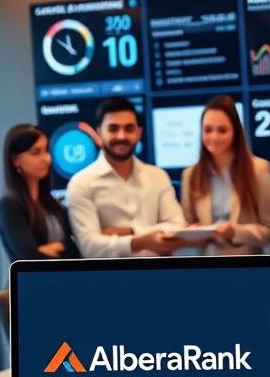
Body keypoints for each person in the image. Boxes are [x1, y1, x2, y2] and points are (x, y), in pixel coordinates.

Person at [66, 97, 187, 257]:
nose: (121, 136)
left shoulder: (158, 176)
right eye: (113, 129)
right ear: (99, 133)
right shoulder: (81, 183)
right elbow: (90, 247)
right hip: (109, 273)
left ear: (139, 133)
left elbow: (178, 228)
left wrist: (130, 231)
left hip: (157, 271)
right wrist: (143, 240)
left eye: (129, 129)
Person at [180, 95, 270, 255]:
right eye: (208, 130)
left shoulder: (259, 170)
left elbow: (269, 229)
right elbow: (187, 228)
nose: (214, 137)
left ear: (235, 132)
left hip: (248, 263)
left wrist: (235, 232)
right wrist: (194, 232)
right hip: (207, 262)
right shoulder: (190, 175)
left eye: (222, 130)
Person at [0, 123, 80, 261]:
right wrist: (60, 251)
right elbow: (30, 258)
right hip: (33, 276)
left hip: (61, 275)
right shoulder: (9, 205)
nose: (46, 159)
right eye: (36, 152)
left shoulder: (52, 202)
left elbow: (75, 247)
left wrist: (56, 247)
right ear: (16, 160)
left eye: (46, 150)